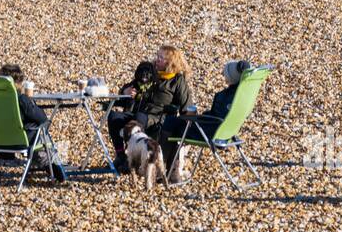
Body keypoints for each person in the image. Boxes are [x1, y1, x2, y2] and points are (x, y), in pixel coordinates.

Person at [159, 59, 254, 180]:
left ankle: (164, 168)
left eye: (226, 74)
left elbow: (216, 118)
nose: (223, 76)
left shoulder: (225, 96)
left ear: (231, 78)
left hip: (211, 132)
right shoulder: (243, 94)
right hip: (228, 132)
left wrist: (196, 117)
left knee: (171, 123)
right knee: (177, 123)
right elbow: (220, 115)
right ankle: (172, 169)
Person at [108, 47, 193, 175]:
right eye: (157, 56)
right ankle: (121, 155)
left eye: (161, 58)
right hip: (138, 113)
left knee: (139, 118)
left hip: (158, 117)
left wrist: (187, 128)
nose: (157, 59)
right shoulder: (149, 72)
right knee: (113, 117)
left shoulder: (177, 80)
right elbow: (132, 85)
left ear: (170, 62)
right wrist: (125, 91)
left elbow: (186, 106)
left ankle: (138, 159)